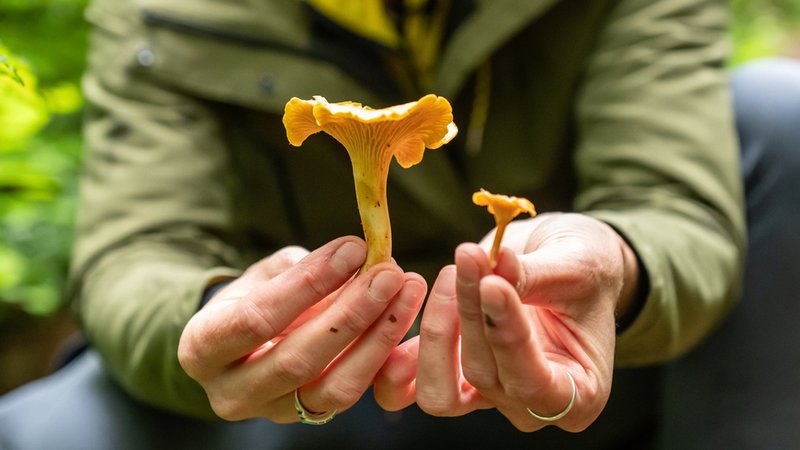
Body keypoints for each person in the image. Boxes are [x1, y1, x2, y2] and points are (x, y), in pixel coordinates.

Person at [0, 0, 793, 448]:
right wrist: (219, 317)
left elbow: (675, 208)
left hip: (576, 375)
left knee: (778, 114)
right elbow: (137, 251)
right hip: (307, 402)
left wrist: (618, 265)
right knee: (39, 434)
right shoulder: (163, 14)